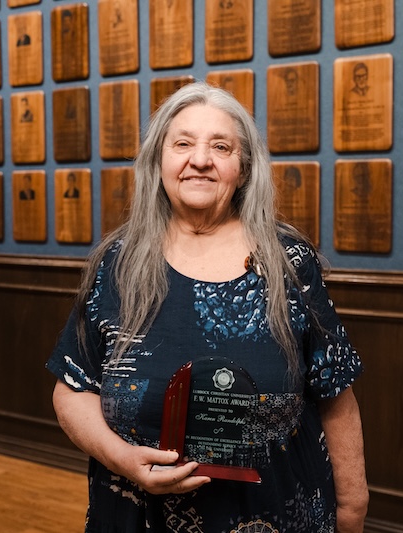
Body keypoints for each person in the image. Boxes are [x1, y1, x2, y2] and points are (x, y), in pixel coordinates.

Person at [46, 81, 368, 532]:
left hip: (277, 513)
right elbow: (73, 387)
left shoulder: (289, 262)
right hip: (136, 516)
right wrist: (123, 458)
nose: (200, 159)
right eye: (183, 143)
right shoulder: (117, 263)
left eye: (221, 146)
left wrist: (352, 506)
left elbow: (335, 392)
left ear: (243, 168)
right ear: (159, 161)